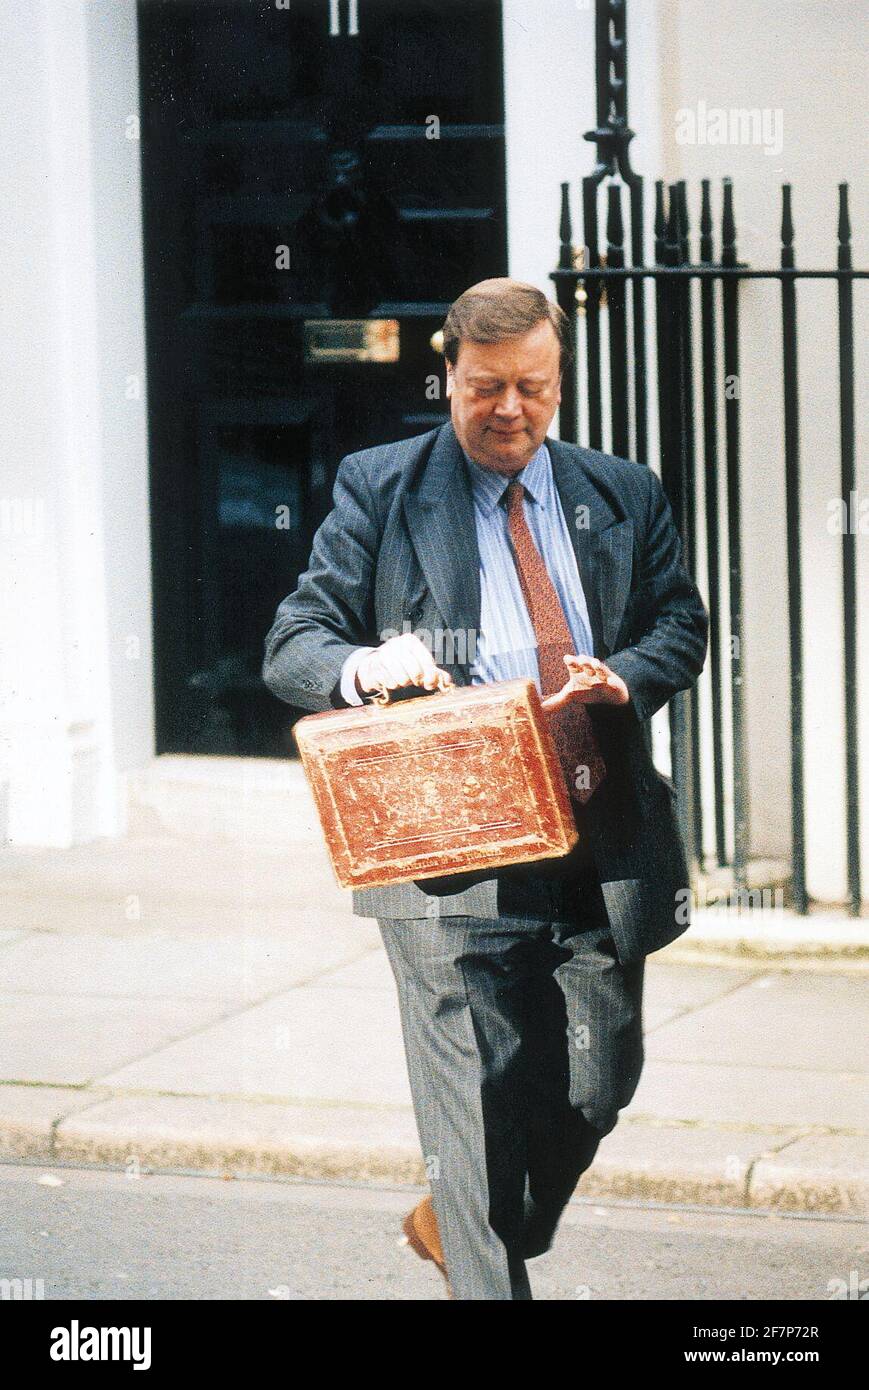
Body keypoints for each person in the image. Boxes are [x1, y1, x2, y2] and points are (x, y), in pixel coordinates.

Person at [263, 278, 708, 1299]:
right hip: (445, 838)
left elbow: (677, 624)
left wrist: (624, 675)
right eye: (484, 388)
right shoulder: (381, 486)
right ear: (448, 374)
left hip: (594, 828)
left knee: (594, 1086)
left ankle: (456, 1224)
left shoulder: (620, 491)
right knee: (467, 1104)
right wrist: (364, 669)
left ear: (558, 381)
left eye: (532, 389)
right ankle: (476, 1252)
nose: (510, 409)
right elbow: (295, 642)